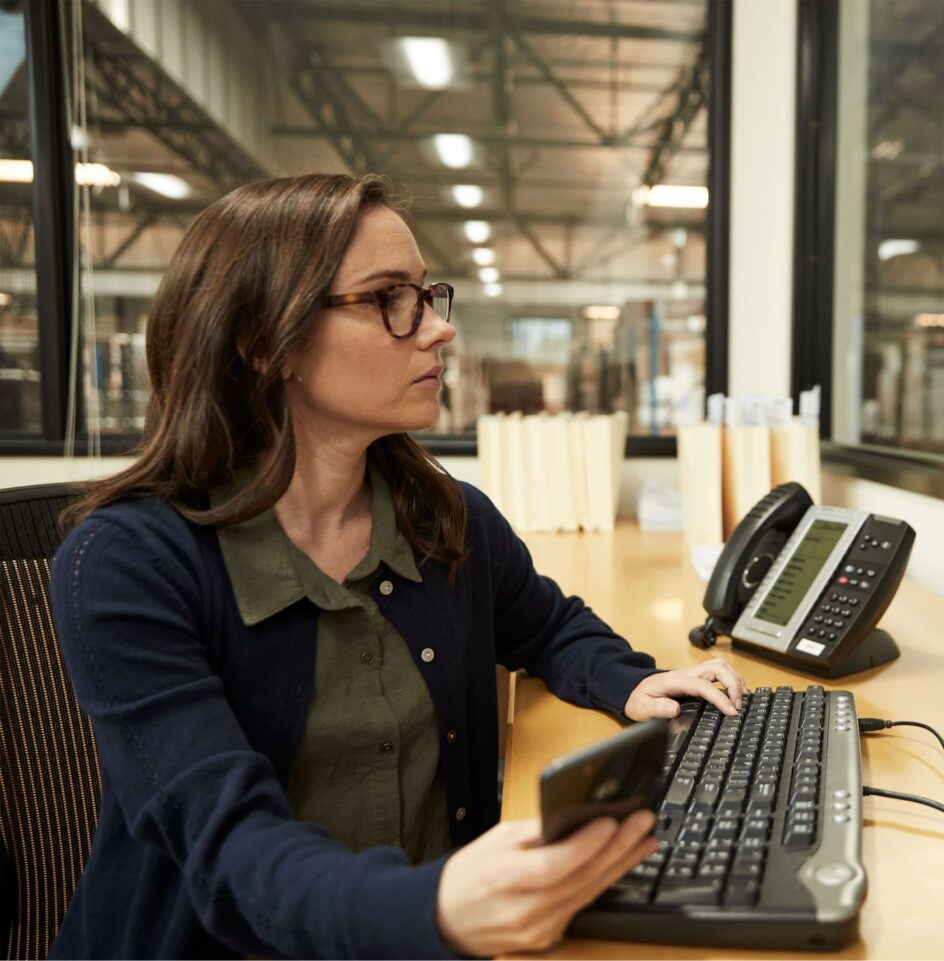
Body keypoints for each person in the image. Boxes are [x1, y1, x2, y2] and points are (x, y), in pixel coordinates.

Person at [49, 173, 747, 959]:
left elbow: (547, 625)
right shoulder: (124, 566)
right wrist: (434, 906)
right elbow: (229, 846)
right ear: (262, 342)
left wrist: (625, 678)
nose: (438, 330)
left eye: (426, 295)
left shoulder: (442, 515)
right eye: (389, 299)